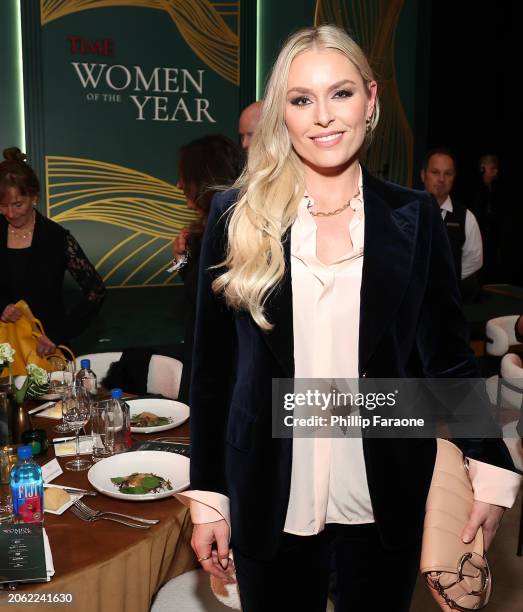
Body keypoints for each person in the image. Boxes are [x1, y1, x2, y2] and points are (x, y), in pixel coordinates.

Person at [178, 26, 521, 611]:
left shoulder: (414, 218)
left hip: (383, 486)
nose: (323, 117)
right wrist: (208, 493)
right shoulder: (236, 215)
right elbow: (212, 370)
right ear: (281, 114)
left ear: (372, 99)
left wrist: (489, 462)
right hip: (269, 486)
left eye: (340, 94)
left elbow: (445, 357)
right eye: (301, 99)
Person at [0, 147, 105, 356]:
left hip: (46, 350)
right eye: (2, 206)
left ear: (34, 197)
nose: (10, 213)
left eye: (17, 204)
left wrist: (57, 334)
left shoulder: (56, 238)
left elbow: (96, 291)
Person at [169, 134, 243, 402]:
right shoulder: (206, 230)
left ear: (203, 179)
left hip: (224, 369)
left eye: (184, 177)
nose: (178, 185)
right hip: (206, 358)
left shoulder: (234, 232)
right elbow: (197, 287)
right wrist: (181, 259)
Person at [421, 148, 483, 302]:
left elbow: (475, 259)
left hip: (449, 302)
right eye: (435, 172)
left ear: (454, 177)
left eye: (448, 173)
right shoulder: (406, 211)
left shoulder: (466, 217)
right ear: (423, 175)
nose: (441, 179)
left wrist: (447, 278)